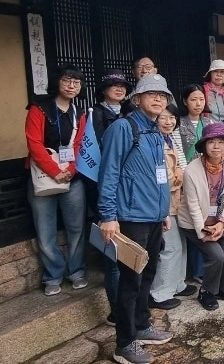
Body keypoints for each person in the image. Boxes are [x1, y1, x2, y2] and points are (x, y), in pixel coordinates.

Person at [98, 74, 175, 364]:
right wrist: (107, 215)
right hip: (129, 218)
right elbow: (109, 174)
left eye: (163, 96)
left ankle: (142, 325)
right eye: (152, 94)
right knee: (130, 280)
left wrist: (163, 211)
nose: (158, 99)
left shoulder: (156, 132)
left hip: (153, 217)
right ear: (137, 99)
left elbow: (159, 178)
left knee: (149, 274)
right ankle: (124, 343)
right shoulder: (123, 127)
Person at [25, 64, 88, 296]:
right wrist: (54, 170)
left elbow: (80, 145)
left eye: (76, 82)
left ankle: (77, 271)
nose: (72, 86)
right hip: (43, 177)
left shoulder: (80, 113)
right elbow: (34, 144)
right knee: (45, 230)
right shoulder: (38, 109)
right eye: (67, 80)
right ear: (57, 82)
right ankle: (53, 275)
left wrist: (70, 170)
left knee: (76, 228)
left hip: (72, 177)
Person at [84, 69, 131, 322]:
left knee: (128, 252)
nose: (119, 89)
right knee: (113, 254)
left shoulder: (127, 114)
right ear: (103, 90)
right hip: (105, 186)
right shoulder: (94, 115)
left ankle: (130, 305)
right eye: (114, 85)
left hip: (127, 188)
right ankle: (116, 310)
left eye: (122, 85)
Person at [178, 123, 224, 311]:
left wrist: (222, 223)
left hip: (220, 219)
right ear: (204, 145)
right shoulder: (191, 170)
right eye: (211, 142)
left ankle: (221, 288)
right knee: (216, 255)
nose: (216, 146)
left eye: (221, 142)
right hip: (194, 222)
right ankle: (206, 291)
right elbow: (192, 205)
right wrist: (203, 231)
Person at [148, 105, 196, 310]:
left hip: (177, 201)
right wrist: (177, 178)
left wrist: (179, 177)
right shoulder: (153, 142)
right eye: (163, 118)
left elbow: (180, 169)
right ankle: (159, 293)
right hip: (163, 202)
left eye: (172, 118)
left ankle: (177, 283)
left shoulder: (170, 139)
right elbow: (159, 176)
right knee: (170, 246)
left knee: (181, 244)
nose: (169, 122)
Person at [177, 84, 208, 286]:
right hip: (186, 177)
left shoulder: (210, 122)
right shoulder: (178, 124)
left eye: (201, 99)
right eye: (193, 99)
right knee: (191, 222)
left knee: (205, 220)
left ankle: (204, 266)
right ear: (185, 102)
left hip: (208, 177)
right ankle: (193, 269)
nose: (198, 103)